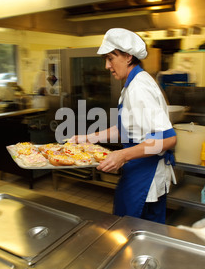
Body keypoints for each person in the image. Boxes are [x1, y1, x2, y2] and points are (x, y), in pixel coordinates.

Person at [70, 28, 177, 224]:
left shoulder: (139, 87)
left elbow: (168, 138)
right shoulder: (133, 83)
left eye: (111, 58)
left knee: (131, 230)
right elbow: (127, 129)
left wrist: (122, 155)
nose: (106, 66)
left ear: (128, 57)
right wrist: (87, 138)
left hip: (147, 174)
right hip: (139, 168)